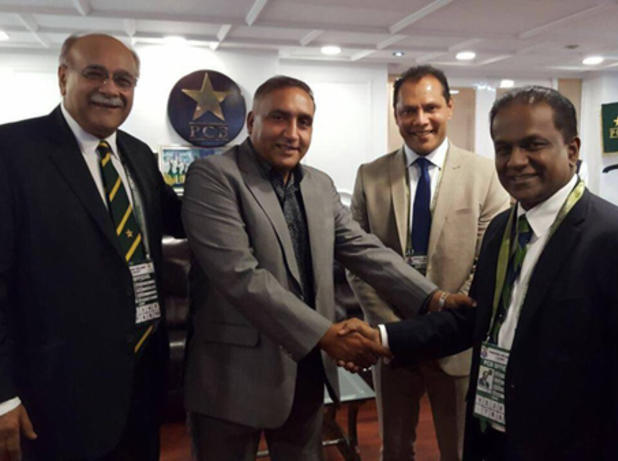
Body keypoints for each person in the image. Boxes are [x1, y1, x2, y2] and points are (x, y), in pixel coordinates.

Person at [341, 86, 618, 460]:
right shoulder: (503, 228)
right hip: (493, 435)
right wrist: (383, 337)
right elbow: (474, 318)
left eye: (533, 145)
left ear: (572, 150)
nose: (516, 161)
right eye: (503, 149)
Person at [181, 75, 474, 460]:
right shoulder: (214, 176)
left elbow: (364, 249)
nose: (292, 133)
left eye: (304, 122)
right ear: (251, 121)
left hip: (305, 372)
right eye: (279, 118)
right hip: (232, 377)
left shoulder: (319, 184)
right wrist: (326, 334)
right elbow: (240, 276)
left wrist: (433, 298)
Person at [0, 34, 183, 460]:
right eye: (95, 74)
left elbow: (184, 218)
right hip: (54, 397)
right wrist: (3, 395)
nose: (110, 89)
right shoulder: (11, 152)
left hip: (141, 382)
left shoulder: (138, 154)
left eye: (124, 79)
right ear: (63, 77)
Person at [347, 65, 508, 461]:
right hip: (391, 339)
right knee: (394, 448)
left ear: (449, 107)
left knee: (460, 449)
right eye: (408, 110)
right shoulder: (370, 175)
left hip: (455, 343)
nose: (420, 120)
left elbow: (485, 261)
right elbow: (356, 261)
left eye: (431, 107)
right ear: (396, 114)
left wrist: (442, 327)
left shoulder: (485, 174)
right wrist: (394, 331)